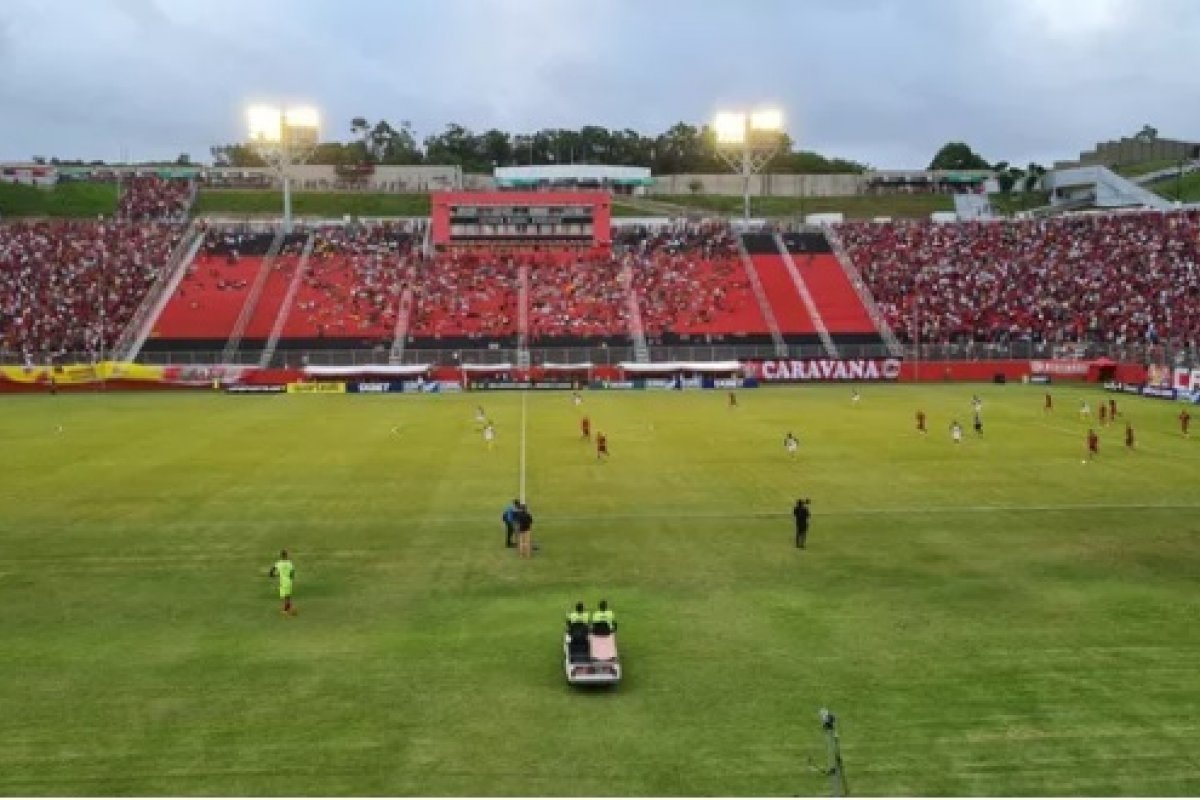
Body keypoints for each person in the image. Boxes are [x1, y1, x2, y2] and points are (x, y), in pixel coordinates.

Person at [268, 549, 296, 616]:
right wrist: (291, 578)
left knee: (284, 596)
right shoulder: (290, 563)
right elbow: (292, 573)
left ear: (281, 556)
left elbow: (272, 571)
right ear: (286, 555)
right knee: (288, 595)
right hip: (289, 581)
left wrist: (273, 575)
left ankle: (286, 610)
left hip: (283, 581)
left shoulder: (279, 563)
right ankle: (289, 608)